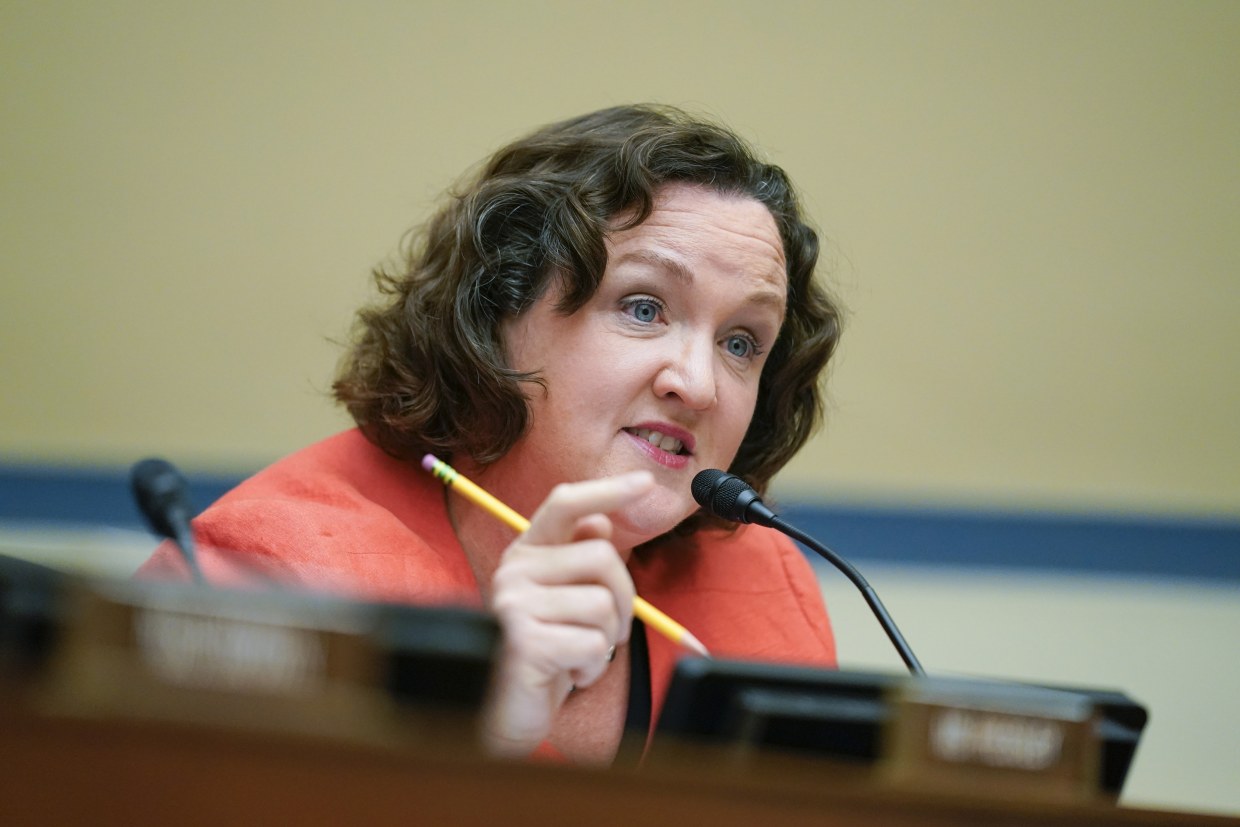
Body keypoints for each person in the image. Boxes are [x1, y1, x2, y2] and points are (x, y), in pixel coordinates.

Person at [138, 103, 844, 765]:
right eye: (642, 306)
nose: (699, 383)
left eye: (743, 343)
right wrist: (495, 731)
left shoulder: (764, 586)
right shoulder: (262, 577)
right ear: (495, 315)